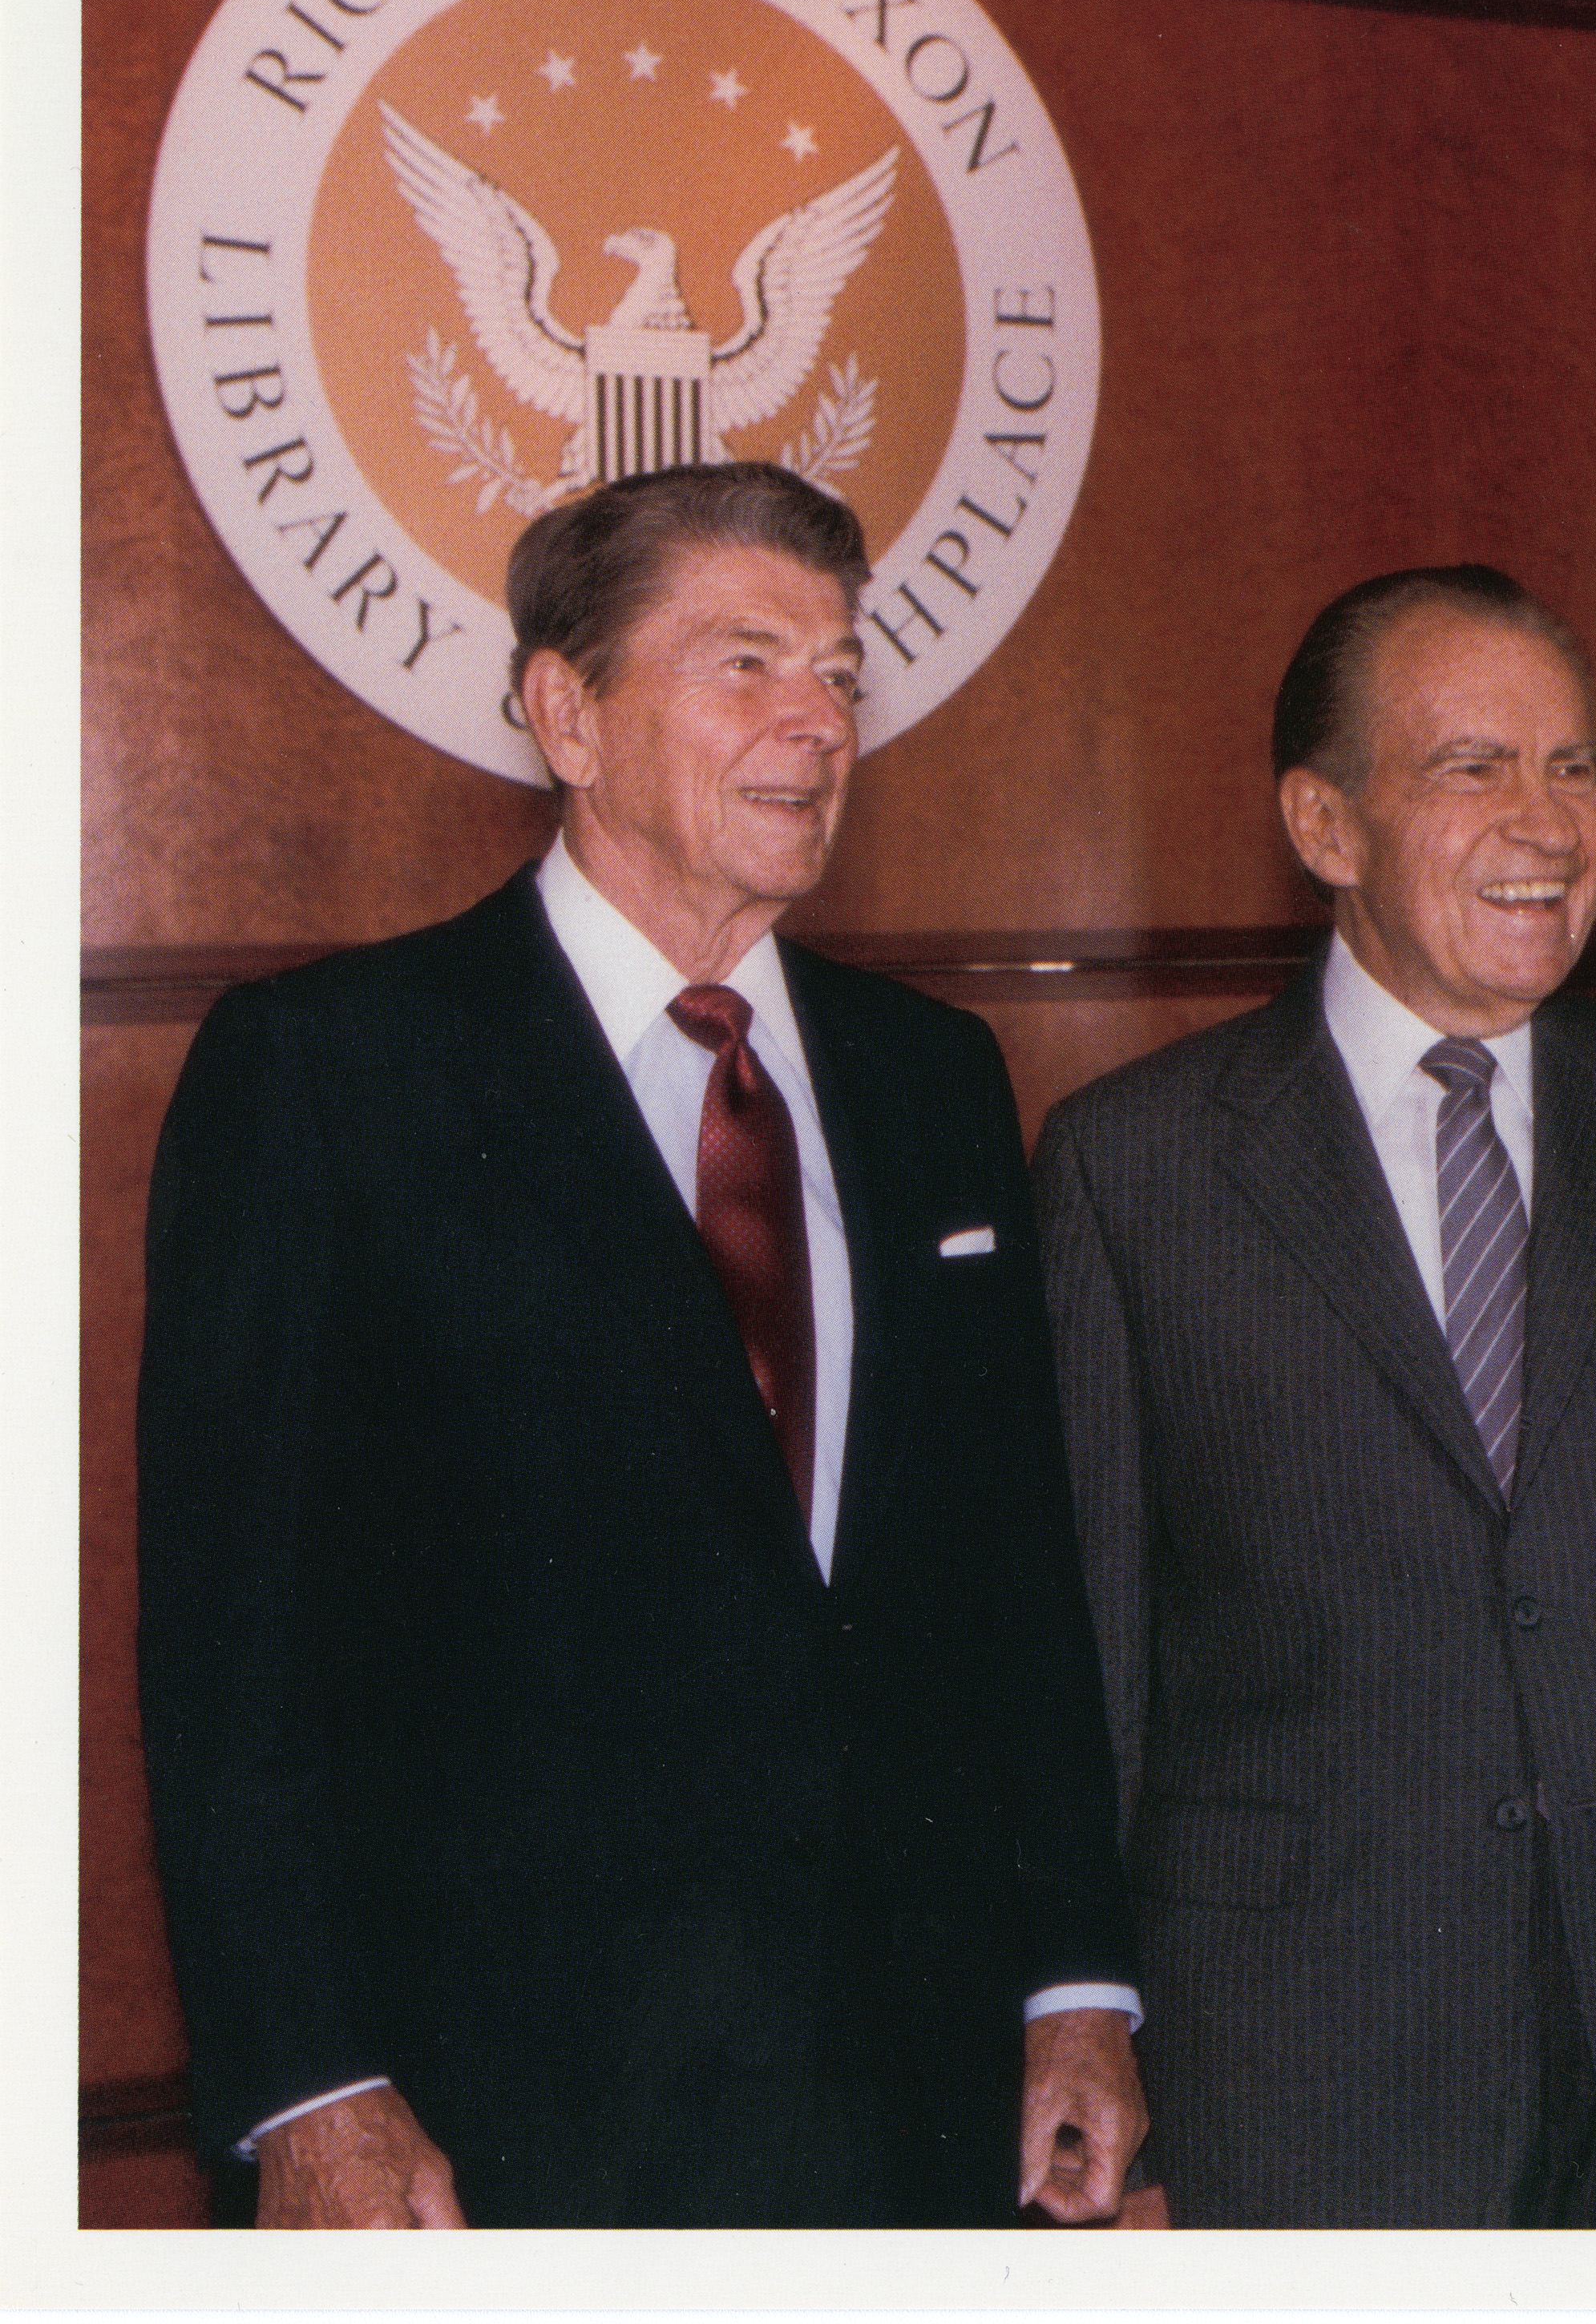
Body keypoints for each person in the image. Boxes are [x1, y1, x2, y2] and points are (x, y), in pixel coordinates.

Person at [136, 462, 1145, 2228]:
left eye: (840, 671)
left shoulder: (934, 1080)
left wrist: (1075, 1986)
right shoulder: (330, 1074)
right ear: (566, 712)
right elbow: (236, 1645)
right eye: (744, 660)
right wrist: (310, 2083)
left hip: (916, 2099)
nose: (815, 720)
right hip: (507, 2112)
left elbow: (1016, 1581)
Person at [1032, 564, 1596, 2226]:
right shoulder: (1133, 1169)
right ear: (1324, 822)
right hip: (1297, 2055)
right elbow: (1099, 1671)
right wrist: (1106, 2062)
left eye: (1574, 767)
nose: (1550, 823)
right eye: (1474, 767)